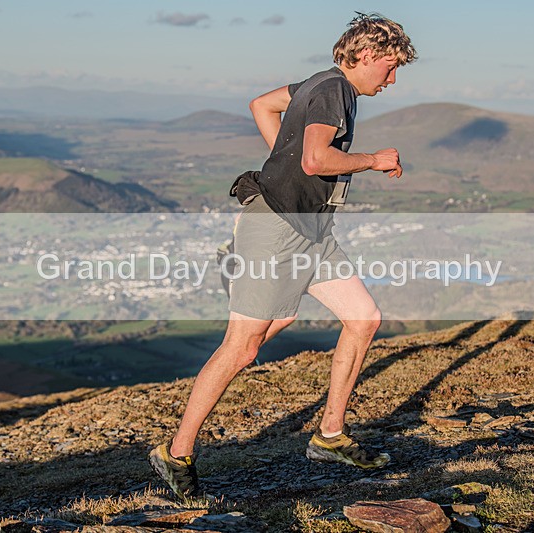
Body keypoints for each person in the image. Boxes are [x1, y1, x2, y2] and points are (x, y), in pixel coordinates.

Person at [149, 12, 417, 498]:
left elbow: (261, 105)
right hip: (275, 229)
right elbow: (317, 159)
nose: (392, 80)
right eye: (391, 67)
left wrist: (284, 162)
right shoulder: (334, 90)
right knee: (244, 347)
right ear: (367, 56)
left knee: (363, 318)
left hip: (313, 228)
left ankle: (330, 436)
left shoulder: (317, 83)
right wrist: (373, 160)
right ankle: (176, 451)